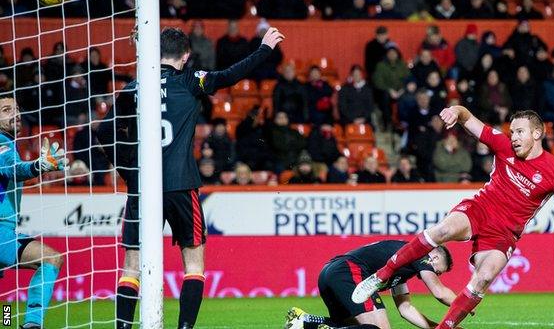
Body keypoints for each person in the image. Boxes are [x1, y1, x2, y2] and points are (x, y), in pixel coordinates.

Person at [96, 26, 284, 329]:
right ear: (185, 56)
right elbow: (229, 75)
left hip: (143, 189)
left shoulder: (135, 86)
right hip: (181, 184)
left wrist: (130, 173)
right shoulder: (189, 80)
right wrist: (264, 49)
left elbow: (105, 132)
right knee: (194, 264)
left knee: (131, 267)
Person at [352, 107, 554, 329]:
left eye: (519, 132)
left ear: (537, 133)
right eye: (512, 132)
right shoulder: (502, 145)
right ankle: (382, 275)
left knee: (484, 276)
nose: (513, 137)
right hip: (480, 209)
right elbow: (467, 117)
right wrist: (456, 111)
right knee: (442, 230)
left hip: (504, 233)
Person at [0, 95, 67, 329]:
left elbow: (11, 178)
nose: (15, 114)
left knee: (4, 303)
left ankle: (14, 323)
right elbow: (15, 169)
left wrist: (47, 168)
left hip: (6, 231)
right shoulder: (2, 144)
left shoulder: (9, 144)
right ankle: (32, 324)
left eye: (16, 108)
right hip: (1, 232)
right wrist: (39, 166)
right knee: (51, 259)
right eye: (7, 110)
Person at [284, 240, 456, 329]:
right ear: (434, 257)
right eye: (439, 270)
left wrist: (438, 327)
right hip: (347, 271)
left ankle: (305, 321)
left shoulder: (404, 266)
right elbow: (439, 292)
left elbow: (405, 309)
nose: (437, 274)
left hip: (330, 273)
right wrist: (466, 303)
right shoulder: (421, 253)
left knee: (356, 327)